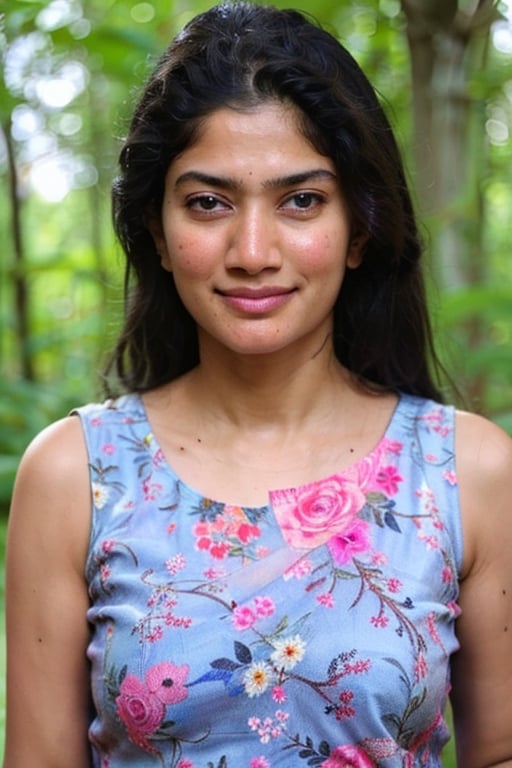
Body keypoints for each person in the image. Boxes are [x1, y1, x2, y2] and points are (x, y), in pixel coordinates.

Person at [4, 2, 512, 767]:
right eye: (208, 203)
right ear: (157, 232)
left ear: (360, 229)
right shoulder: (75, 474)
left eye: (300, 201)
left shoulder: (467, 473)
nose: (251, 250)